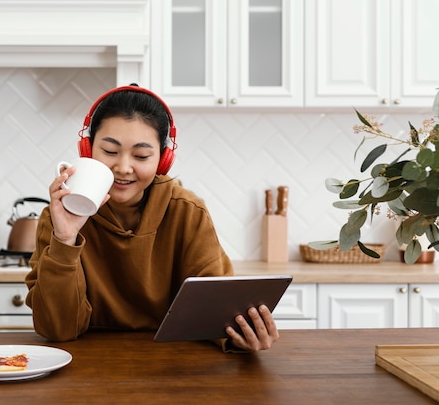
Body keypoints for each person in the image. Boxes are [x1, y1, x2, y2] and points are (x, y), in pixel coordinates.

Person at [25, 84, 279, 353]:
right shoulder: (59, 216)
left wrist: (241, 336)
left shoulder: (187, 212)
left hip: (173, 366)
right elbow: (56, 330)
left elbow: (214, 313)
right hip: (84, 367)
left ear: (163, 159)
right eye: (110, 151)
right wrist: (65, 238)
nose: (123, 167)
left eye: (142, 155)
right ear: (87, 150)